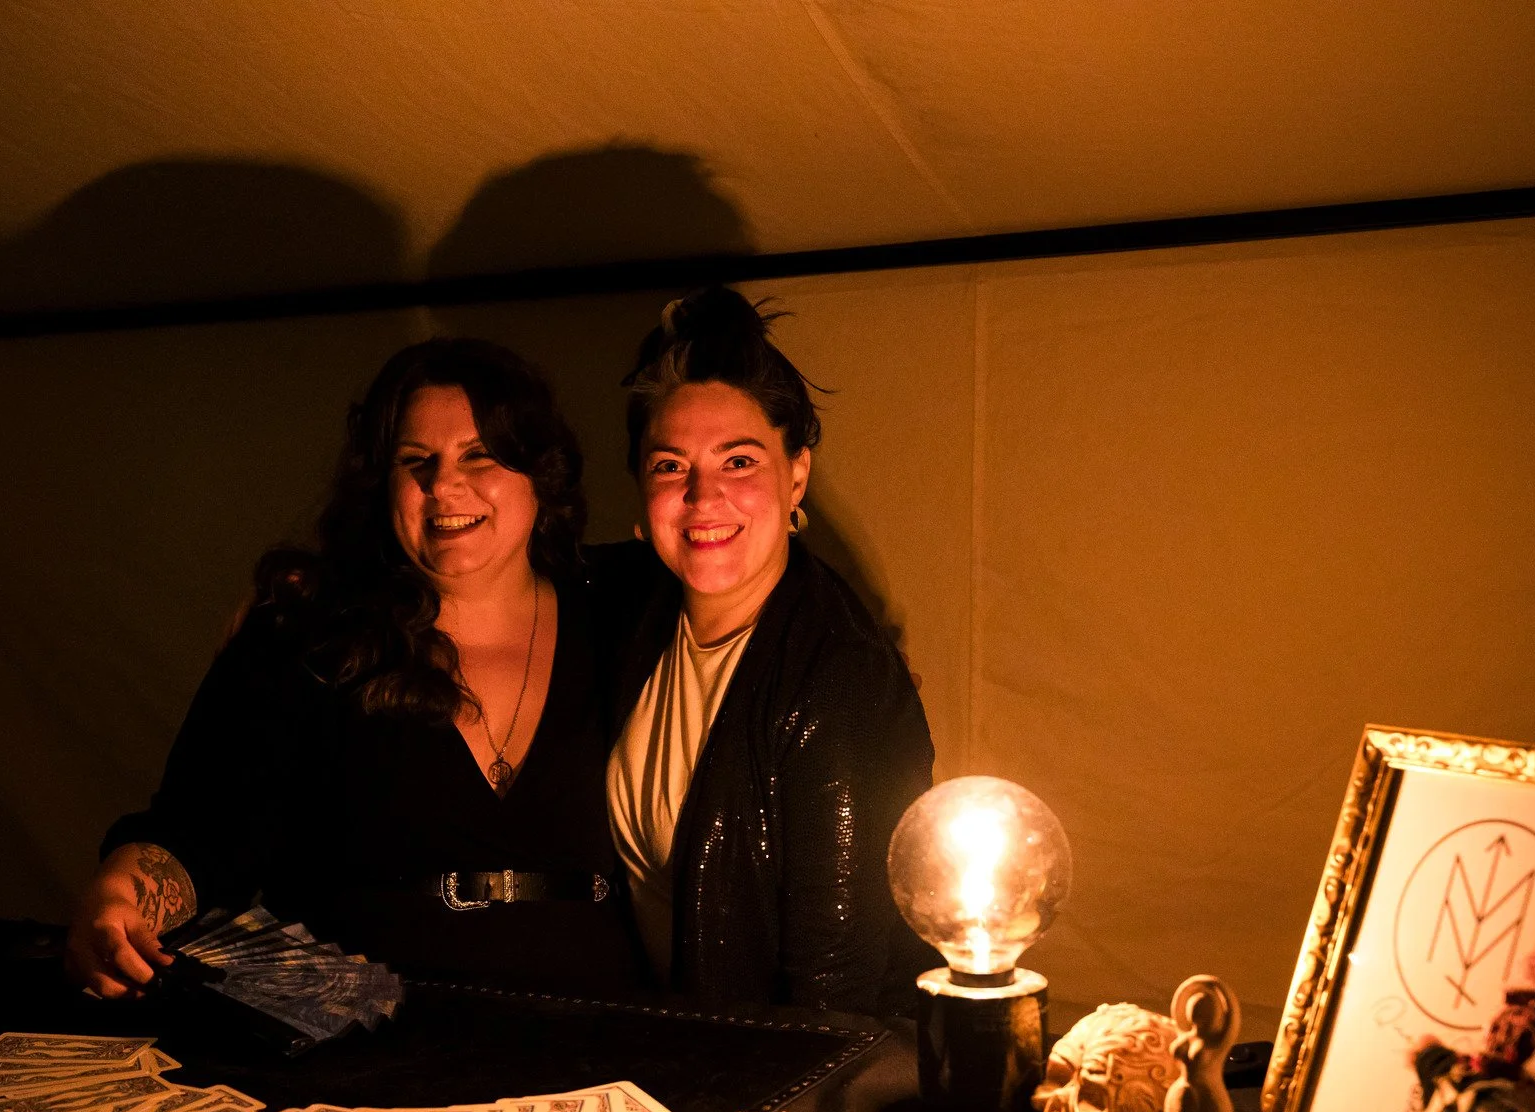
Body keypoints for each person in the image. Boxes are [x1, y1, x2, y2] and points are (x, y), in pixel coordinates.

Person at [67, 338, 641, 999]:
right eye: (414, 460)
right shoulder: (308, 638)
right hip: (361, 1032)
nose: (443, 485)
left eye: (478, 454)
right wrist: (120, 897)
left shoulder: (626, 609)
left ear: (540, 469)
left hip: (593, 1030)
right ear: (380, 484)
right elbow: (200, 830)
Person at [600, 287, 936, 1018]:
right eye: (670, 466)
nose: (703, 497)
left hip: (777, 1072)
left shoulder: (840, 675)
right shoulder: (631, 613)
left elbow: (834, 984)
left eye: (739, 461)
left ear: (797, 474)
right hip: (666, 1051)